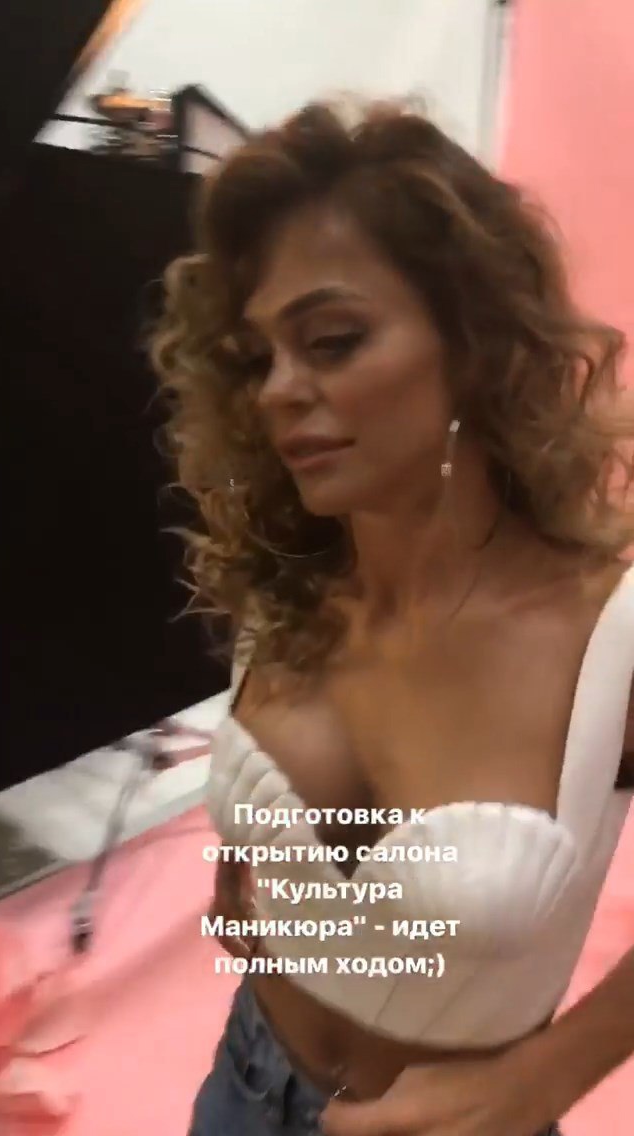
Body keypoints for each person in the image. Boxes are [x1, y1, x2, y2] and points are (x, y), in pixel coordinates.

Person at [151, 99, 634, 1136]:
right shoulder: (285, 576)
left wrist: (549, 1074)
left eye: (331, 341)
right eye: (258, 357)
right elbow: (276, 816)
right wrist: (261, 873)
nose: (279, 390)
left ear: (472, 342)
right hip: (245, 1082)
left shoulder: (607, 624)